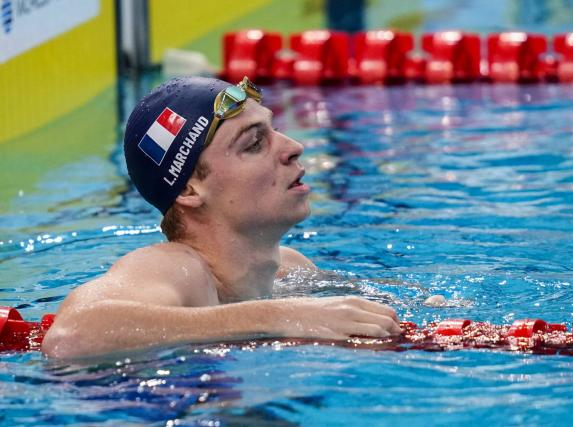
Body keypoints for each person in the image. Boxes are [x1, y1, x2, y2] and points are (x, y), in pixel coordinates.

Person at [42, 76, 402, 359]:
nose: (293, 147)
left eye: (273, 129)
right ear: (189, 190)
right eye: (253, 144)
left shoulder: (288, 269)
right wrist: (280, 317)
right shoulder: (177, 268)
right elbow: (71, 336)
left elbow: (375, 309)